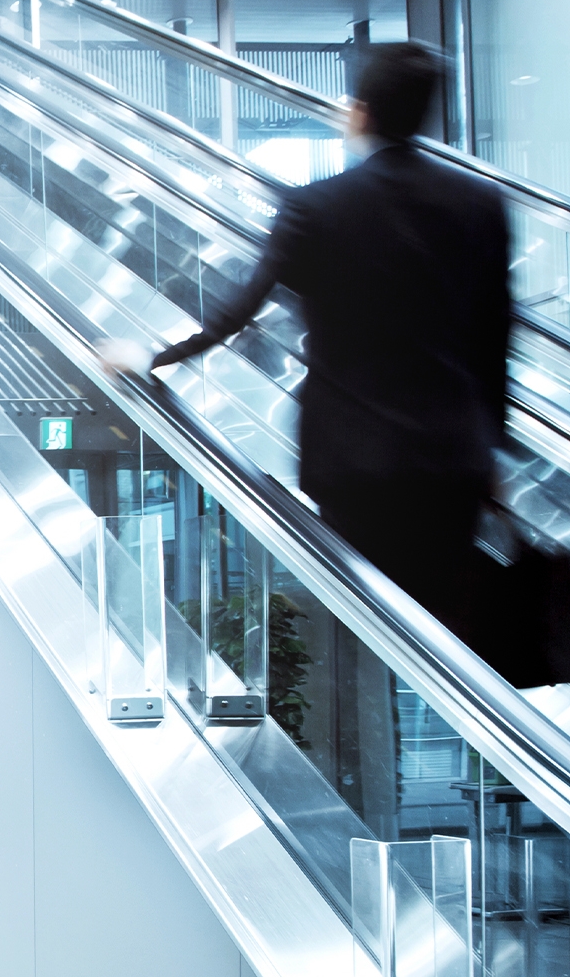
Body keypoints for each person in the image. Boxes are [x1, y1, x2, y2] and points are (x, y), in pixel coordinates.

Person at [99, 41, 509, 647]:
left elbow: (238, 310)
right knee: (445, 634)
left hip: (353, 464)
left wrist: (154, 358)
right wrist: (492, 443)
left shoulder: (317, 206)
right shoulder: (480, 204)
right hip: (453, 459)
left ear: (360, 111)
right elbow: (494, 337)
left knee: (367, 633)